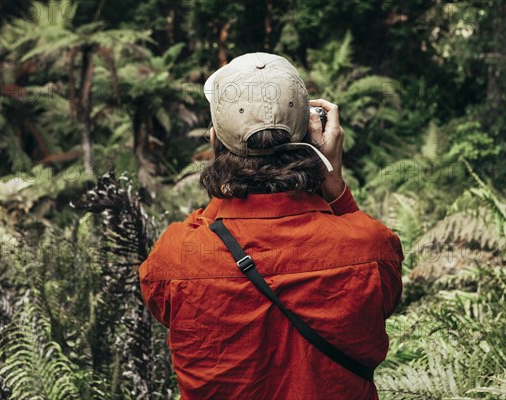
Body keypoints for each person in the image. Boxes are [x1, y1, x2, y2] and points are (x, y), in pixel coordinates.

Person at [139, 53, 403, 399]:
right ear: (312, 137)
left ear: (215, 139)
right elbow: (386, 293)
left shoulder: (176, 258)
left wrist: (228, 182)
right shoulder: (371, 248)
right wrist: (333, 180)